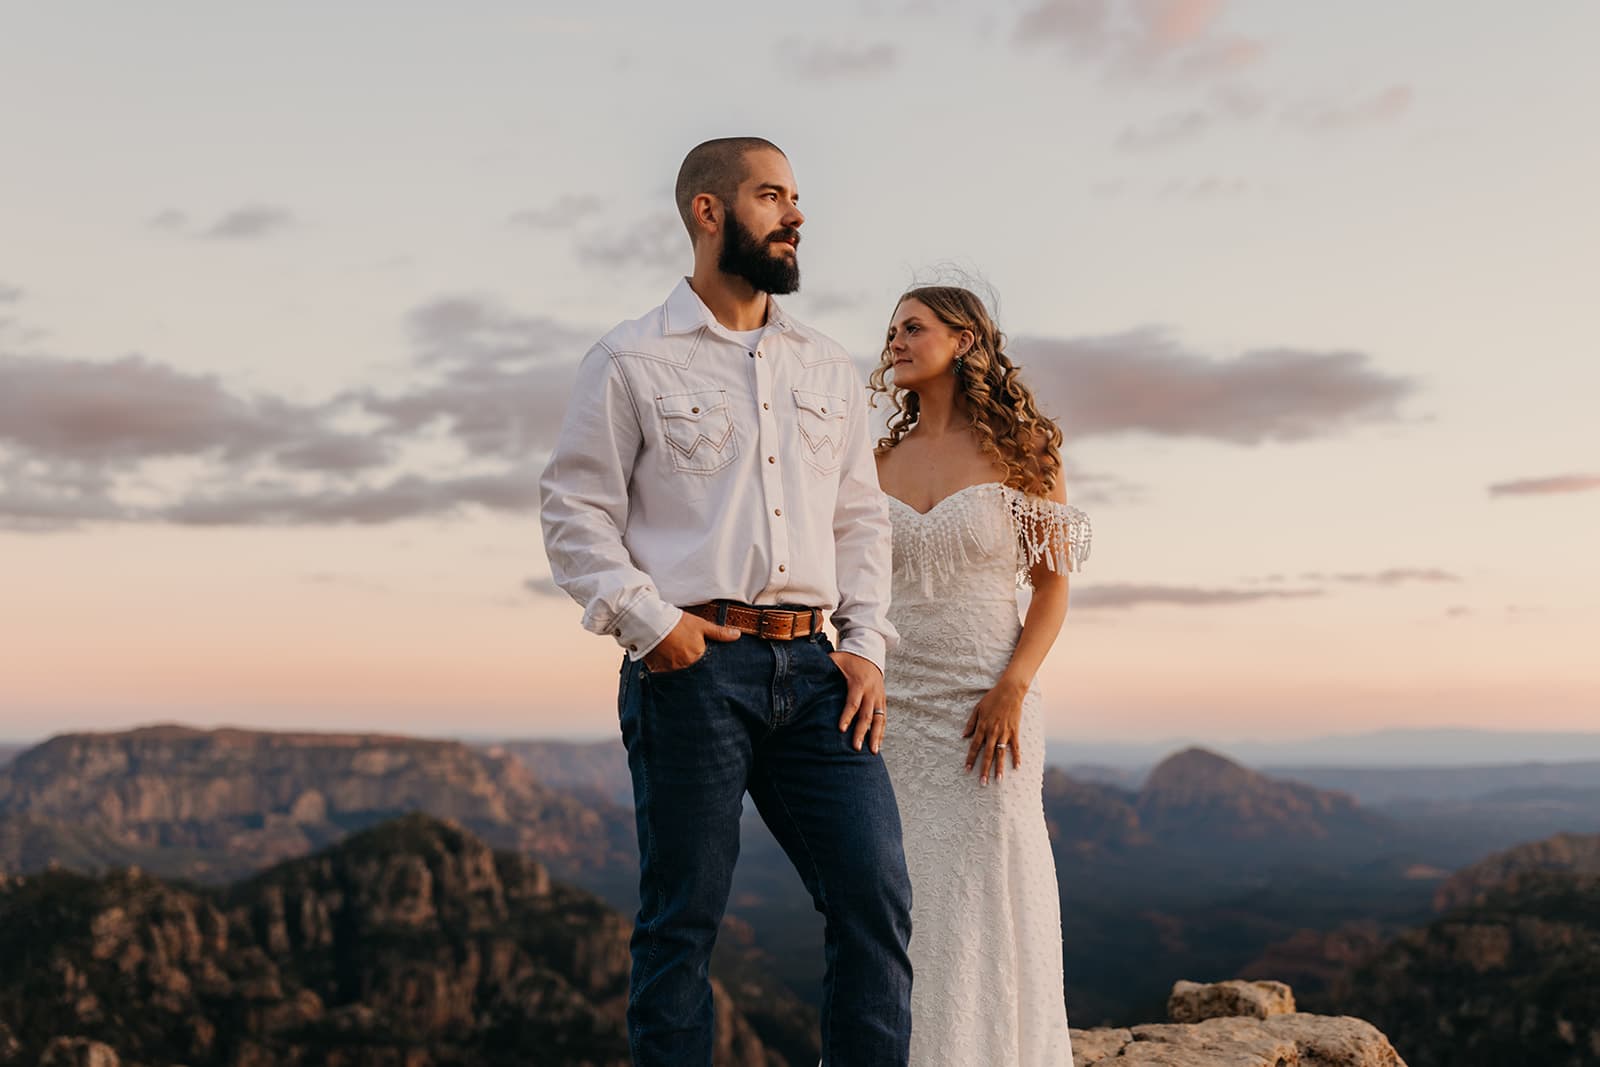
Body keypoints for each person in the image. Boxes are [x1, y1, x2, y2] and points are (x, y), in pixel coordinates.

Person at [539, 137, 912, 1066]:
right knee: (684, 919)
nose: (795, 215)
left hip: (821, 670)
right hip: (694, 669)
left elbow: (860, 519)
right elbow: (574, 510)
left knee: (874, 895)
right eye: (772, 195)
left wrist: (865, 644)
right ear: (710, 213)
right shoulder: (629, 359)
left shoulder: (825, 366)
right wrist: (650, 623)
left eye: (796, 199)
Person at [869, 285, 1091, 1066]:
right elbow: (851, 588)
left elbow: (1053, 589)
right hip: (891, 708)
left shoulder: (1026, 450)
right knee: (899, 894)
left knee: (988, 888)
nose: (894, 340)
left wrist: (1014, 686)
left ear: (964, 340)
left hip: (987, 703)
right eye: (892, 329)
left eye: (913, 327)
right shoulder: (874, 462)